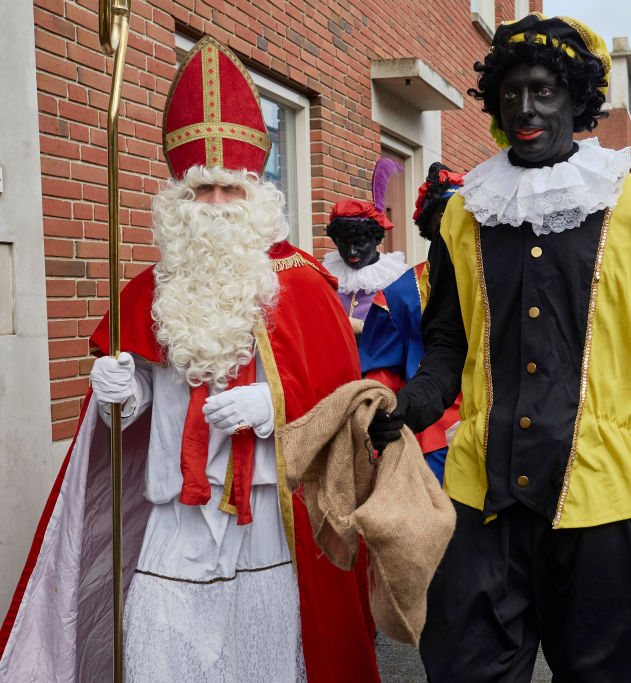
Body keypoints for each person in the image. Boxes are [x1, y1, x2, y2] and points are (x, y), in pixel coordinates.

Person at [0, 35, 379, 682]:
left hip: (266, 520)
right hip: (173, 516)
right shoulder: (147, 291)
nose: (214, 209)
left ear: (257, 193)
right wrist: (121, 396)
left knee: (265, 658)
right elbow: (135, 413)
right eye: (200, 192)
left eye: (230, 190)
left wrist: (272, 403)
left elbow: (346, 399)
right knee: (161, 651)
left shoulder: (302, 283)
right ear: (176, 198)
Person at [369, 13, 631, 681]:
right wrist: (407, 404)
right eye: (512, 92)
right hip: (479, 501)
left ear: (578, 99)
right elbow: (445, 346)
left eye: (545, 90)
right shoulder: (466, 214)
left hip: (599, 500)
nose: (525, 107)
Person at [359, 162, 465, 482]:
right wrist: (382, 418)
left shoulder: (502, 281)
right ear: (432, 230)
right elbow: (383, 374)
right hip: (431, 439)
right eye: (445, 221)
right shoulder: (399, 294)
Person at [322, 158, 408, 338]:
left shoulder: (395, 277)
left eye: (360, 244)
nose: (351, 252)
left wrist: (362, 326)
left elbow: (405, 329)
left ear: (376, 239)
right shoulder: (328, 274)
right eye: (344, 244)